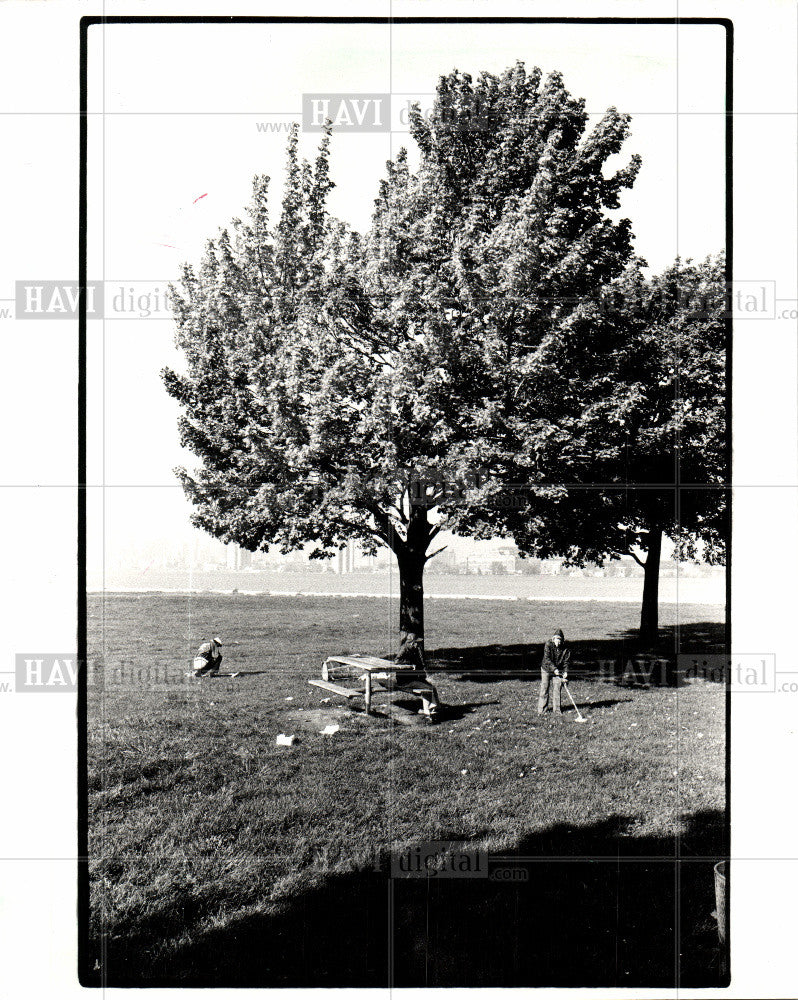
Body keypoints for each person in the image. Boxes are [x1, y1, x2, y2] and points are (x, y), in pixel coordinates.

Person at [537, 628, 570, 716]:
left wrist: (566, 671)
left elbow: (566, 662)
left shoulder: (565, 649)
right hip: (546, 669)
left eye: (560, 640)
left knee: (557, 688)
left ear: (562, 641)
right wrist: (554, 669)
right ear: (553, 639)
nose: (558, 642)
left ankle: (557, 710)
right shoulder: (548, 645)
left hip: (558, 671)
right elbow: (547, 659)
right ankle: (542, 710)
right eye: (557, 640)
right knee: (545, 688)